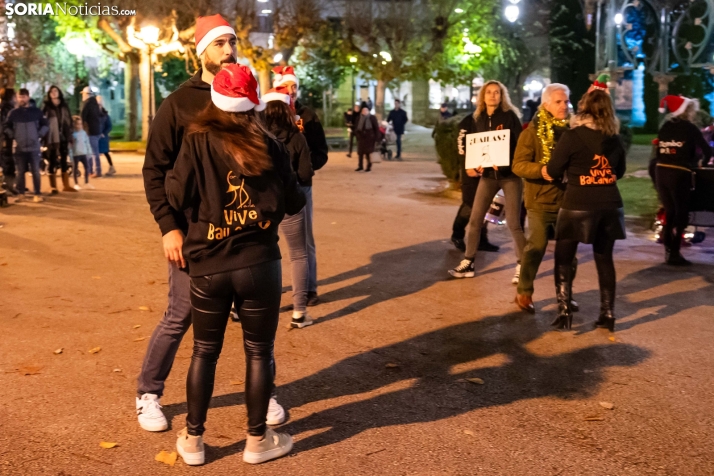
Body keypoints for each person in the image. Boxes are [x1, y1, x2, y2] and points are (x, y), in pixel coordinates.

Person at [139, 14, 287, 434]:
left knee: (254, 327)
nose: (229, 50)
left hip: (247, 240)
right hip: (197, 238)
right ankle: (148, 391)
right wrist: (169, 226)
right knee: (181, 314)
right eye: (220, 44)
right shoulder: (179, 104)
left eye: (232, 42)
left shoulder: (246, 96)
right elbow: (155, 171)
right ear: (200, 51)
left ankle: (262, 396)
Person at [165, 63, 304, 466]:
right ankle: (257, 441)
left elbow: (174, 194)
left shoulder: (195, 140)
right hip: (260, 261)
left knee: (204, 351)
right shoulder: (271, 142)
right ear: (252, 101)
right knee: (259, 351)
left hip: (208, 261)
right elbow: (294, 200)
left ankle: (193, 441)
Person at [546, 87, 626, 331]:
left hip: (577, 204)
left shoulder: (572, 136)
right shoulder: (614, 139)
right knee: (604, 260)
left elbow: (553, 170)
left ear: (584, 108)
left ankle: (564, 311)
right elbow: (619, 172)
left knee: (563, 257)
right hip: (610, 205)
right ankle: (608, 313)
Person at [448, 80, 526, 283]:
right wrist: (474, 164)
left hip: (510, 177)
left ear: (502, 96)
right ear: (482, 96)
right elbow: (474, 146)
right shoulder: (477, 118)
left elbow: (520, 147)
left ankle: (522, 265)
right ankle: (469, 262)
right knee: (475, 221)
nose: (492, 95)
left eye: (497, 92)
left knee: (513, 223)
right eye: (488, 92)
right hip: (488, 177)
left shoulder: (510, 117)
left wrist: (507, 165)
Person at [512, 83, 578, 313]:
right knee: (537, 245)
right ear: (546, 104)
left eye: (566, 101)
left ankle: (565, 295)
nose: (564, 106)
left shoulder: (573, 131)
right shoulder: (532, 132)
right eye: (558, 102)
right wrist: (542, 170)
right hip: (540, 200)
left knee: (569, 252)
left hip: (568, 199)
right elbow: (518, 165)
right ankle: (524, 291)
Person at [273, 65, 328, 306]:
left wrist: (305, 167)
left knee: (304, 241)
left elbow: (321, 152)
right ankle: (269, 287)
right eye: (287, 86)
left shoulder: (308, 116)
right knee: (267, 240)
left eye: (294, 86)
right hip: (272, 188)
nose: (292, 91)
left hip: (301, 185)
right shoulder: (269, 113)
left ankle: (309, 288)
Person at [262, 88, 315, 328]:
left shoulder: (258, 136)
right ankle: (299, 312)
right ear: (287, 110)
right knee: (298, 254)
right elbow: (305, 173)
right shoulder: (296, 137)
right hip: (291, 202)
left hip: (263, 203)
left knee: (260, 254)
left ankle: (241, 309)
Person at [654, 95, 712, 266]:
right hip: (679, 173)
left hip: (661, 171)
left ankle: (668, 250)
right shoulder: (690, 128)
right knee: (682, 212)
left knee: (670, 211)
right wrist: (700, 161)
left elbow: (658, 151)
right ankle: (675, 252)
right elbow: (708, 150)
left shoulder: (664, 127)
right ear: (687, 111)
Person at [4, 88, 49, 203]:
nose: (21, 99)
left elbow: (45, 124)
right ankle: (21, 194)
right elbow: (6, 126)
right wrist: (13, 135)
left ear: (28, 97)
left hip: (34, 147)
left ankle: (37, 194)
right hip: (19, 148)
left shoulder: (36, 112)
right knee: (20, 172)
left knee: (35, 172)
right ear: (17, 98)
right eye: (20, 96)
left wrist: (39, 134)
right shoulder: (13, 113)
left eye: (24, 96)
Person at [42, 85, 74, 193]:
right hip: (51, 138)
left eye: (55, 91)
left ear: (59, 92)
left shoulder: (64, 106)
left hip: (63, 136)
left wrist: (70, 135)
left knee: (64, 160)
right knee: (52, 160)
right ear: (49, 94)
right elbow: (43, 121)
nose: (53, 93)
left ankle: (66, 185)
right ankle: (53, 186)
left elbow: (69, 121)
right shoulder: (47, 107)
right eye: (51, 91)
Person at [80, 86, 102, 178]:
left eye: (83, 94)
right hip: (97, 130)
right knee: (94, 152)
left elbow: (82, 117)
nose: (82, 96)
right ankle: (92, 170)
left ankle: (94, 171)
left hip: (89, 131)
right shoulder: (95, 104)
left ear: (86, 94)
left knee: (91, 152)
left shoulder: (87, 104)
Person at [0, 88, 18, 195]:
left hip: (4, 139)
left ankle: (9, 186)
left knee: (7, 162)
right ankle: (8, 187)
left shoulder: (4, 108)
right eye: (15, 96)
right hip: (5, 139)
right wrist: (13, 135)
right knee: (8, 162)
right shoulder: (7, 109)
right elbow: (5, 126)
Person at [355, 103, 380, 172]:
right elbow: (357, 128)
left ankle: (368, 167)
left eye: (366, 110)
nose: (364, 111)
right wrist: (357, 135)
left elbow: (376, 128)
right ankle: (360, 166)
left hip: (369, 138)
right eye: (363, 110)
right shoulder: (359, 118)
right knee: (360, 153)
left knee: (368, 153)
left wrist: (377, 138)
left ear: (368, 111)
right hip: (361, 137)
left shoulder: (372, 118)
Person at [70, 115, 94, 190]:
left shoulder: (83, 133)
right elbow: (70, 147)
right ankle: (76, 184)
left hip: (83, 153)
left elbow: (87, 143)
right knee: (75, 169)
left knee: (87, 168)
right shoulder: (72, 135)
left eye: (80, 124)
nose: (79, 126)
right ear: (74, 125)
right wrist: (70, 155)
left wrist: (89, 152)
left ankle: (86, 182)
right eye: (77, 124)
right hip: (75, 154)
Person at [97, 95, 116, 176]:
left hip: (102, 137)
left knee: (105, 152)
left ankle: (111, 167)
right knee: (96, 153)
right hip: (97, 136)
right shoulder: (95, 114)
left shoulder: (105, 115)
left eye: (100, 104)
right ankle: (97, 169)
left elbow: (109, 126)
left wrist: (103, 133)